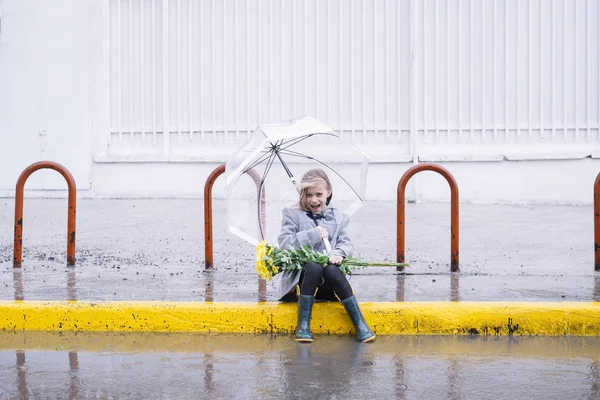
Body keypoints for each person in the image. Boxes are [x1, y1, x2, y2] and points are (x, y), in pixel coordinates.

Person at [277, 168, 375, 343]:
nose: (313, 200)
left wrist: (339, 254)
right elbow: (285, 243)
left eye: (319, 194)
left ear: (328, 192)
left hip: (328, 286)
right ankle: (304, 325)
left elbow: (346, 243)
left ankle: (359, 323)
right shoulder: (292, 214)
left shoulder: (338, 217)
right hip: (302, 283)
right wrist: (312, 234)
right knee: (314, 266)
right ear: (302, 195)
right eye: (308, 195)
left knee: (330, 269)